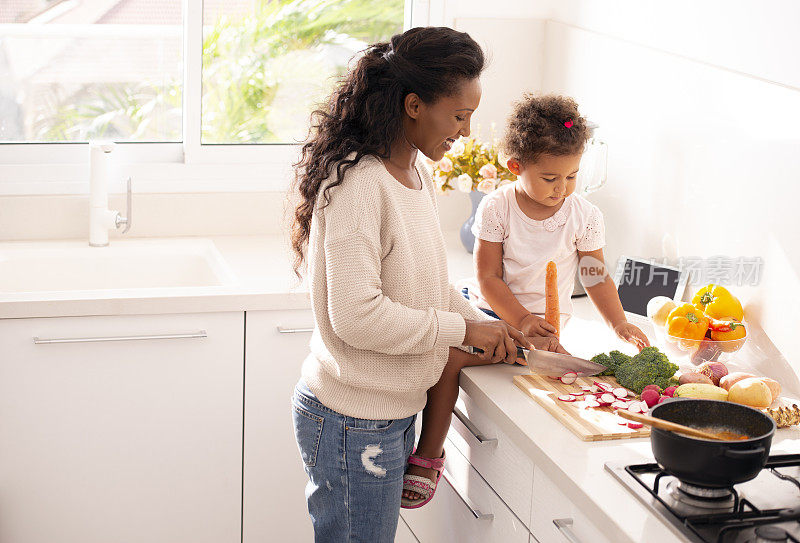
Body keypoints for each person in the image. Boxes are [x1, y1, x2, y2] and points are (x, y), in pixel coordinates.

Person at [289, 27, 534, 542]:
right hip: (352, 422)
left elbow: (428, 286)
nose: (466, 133)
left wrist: (485, 326)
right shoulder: (360, 184)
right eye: (460, 116)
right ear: (414, 105)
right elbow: (356, 317)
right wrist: (457, 327)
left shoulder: (414, 172)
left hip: (386, 415)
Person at [466, 93, 650, 347]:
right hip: (494, 312)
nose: (561, 189)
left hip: (549, 322)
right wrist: (523, 319)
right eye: (550, 179)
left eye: (572, 176)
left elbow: (594, 276)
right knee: (459, 351)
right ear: (516, 166)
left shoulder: (585, 216)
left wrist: (619, 323)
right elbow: (488, 278)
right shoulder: (497, 206)